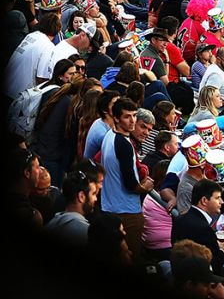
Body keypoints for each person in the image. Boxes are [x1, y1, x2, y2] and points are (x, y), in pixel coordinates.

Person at [99, 98, 154, 264]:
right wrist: (146, 186)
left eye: (134, 116)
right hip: (127, 212)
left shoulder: (109, 135)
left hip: (109, 206)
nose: (132, 121)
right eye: (127, 117)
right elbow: (131, 186)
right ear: (116, 118)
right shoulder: (124, 144)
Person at [171, 179, 224, 274]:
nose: (222, 202)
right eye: (217, 198)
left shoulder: (179, 220)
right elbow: (212, 265)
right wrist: (223, 250)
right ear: (204, 201)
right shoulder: (204, 229)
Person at [43, 168, 101, 246]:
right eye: (93, 194)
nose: (96, 199)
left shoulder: (50, 224)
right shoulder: (84, 233)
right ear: (81, 197)